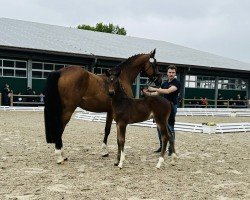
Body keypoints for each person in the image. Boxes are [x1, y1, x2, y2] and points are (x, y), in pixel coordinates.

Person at [143, 65, 181, 154]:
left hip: (171, 106)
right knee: (159, 127)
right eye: (170, 72)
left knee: (170, 127)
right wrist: (148, 93)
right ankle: (162, 146)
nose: (171, 74)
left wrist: (153, 88)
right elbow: (157, 93)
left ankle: (171, 148)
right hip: (161, 108)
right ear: (167, 73)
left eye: (173, 72)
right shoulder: (164, 83)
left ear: (175, 73)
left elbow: (167, 91)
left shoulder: (177, 83)